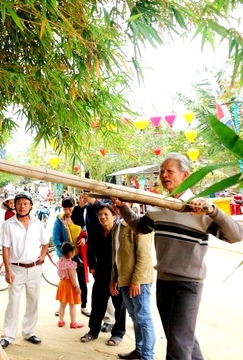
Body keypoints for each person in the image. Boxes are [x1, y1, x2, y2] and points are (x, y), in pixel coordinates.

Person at [112, 153, 243, 360]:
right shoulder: (159, 206)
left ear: (185, 175)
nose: (164, 175)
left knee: (178, 347)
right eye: (161, 171)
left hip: (188, 284)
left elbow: (236, 235)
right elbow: (140, 226)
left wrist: (213, 211)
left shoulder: (200, 209)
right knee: (184, 341)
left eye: (169, 171)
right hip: (164, 282)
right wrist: (123, 208)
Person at [0, 192, 50, 349]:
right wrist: (8, 271)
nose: (22, 206)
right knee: (13, 302)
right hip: (16, 269)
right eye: (19, 203)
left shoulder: (37, 223)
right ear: (15, 205)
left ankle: (29, 332)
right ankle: (8, 335)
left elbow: (45, 242)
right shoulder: (8, 225)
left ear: (31, 206)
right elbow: (5, 249)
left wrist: (42, 256)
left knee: (33, 301)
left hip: (35, 268)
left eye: (25, 203)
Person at [110, 205, 155, 360]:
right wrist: (113, 278)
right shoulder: (117, 226)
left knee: (143, 317)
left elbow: (144, 255)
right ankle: (139, 350)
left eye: (120, 203)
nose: (116, 206)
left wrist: (137, 281)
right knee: (135, 317)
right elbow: (116, 256)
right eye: (114, 203)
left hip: (138, 280)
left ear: (129, 204)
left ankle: (147, 356)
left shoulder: (139, 223)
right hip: (123, 279)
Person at [80, 203, 126, 347]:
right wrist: (92, 267)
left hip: (118, 275)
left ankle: (118, 333)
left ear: (114, 216)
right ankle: (93, 331)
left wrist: (118, 277)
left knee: (120, 305)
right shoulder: (96, 231)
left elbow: (125, 255)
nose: (103, 217)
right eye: (100, 214)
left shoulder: (119, 232)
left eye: (106, 214)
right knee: (97, 303)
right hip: (101, 273)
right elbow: (90, 251)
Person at [73, 191, 116, 327]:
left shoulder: (106, 203)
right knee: (100, 292)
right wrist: (80, 206)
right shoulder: (87, 208)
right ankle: (103, 320)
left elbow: (109, 211)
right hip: (97, 255)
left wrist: (94, 202)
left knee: (115, 293)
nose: (102, 217)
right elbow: (78, 222)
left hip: (113, 254)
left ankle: (111, 321)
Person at [53, 197, 89, 317]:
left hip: (80, 254)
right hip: (67, 256)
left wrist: (84, 239)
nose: (68, 211)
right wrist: (65, 252)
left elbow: (86, 232)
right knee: (66, 282)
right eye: (65, 208)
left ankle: (84, 306)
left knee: (82, 281)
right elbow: (56, 238)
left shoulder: (80, 216)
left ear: (74, 206)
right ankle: (62, 306)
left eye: (70, 208)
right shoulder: (59, 220)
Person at [55, 241, 84, 329]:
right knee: (72, 305)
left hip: (62, 284)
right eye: (74, 251)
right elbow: (72, 277)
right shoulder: (71, 264)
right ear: (70, 253)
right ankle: (73, 323)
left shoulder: (60, 262)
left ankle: (61, 321)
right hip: (70, 285)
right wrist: (76, 287)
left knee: (62, 304)